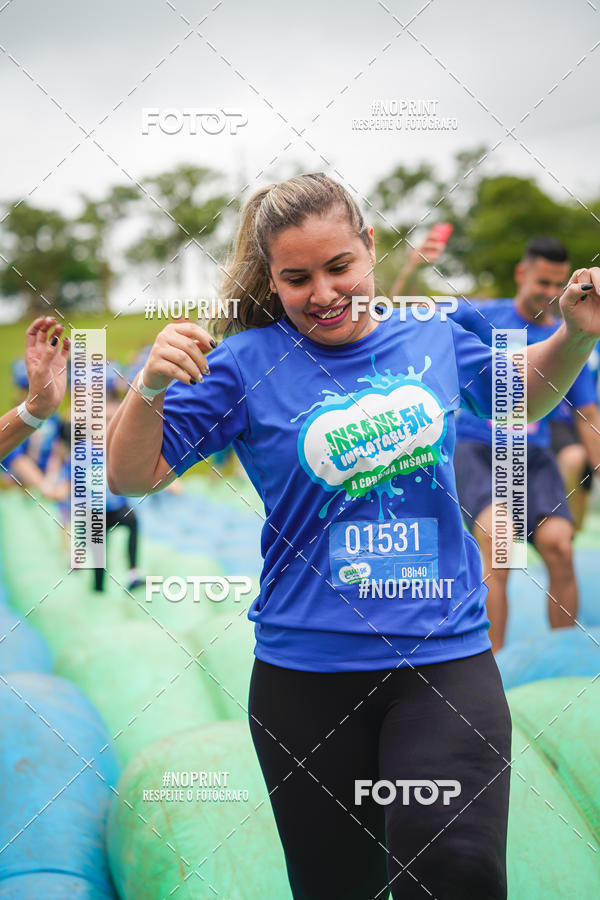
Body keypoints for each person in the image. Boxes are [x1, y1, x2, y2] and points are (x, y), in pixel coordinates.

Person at [106, 173, 600, 899]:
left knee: (455, 869)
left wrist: (577, 332)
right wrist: (149, 387)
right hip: (304, 680)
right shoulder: (245, 364)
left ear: (369, 248)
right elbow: (131, 474)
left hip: (443, 662)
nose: (324, 292)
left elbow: (520, 389)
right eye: (297, 277)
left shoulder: (430, 334)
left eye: (339, 266)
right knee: (337, 888)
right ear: (271, 280)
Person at [450, 237, 600, 653]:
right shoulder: (481, 315)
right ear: (522, 274)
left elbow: (587, 414)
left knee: (560, 545)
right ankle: (490, 667)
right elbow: (416, 323)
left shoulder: (571, 334)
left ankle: (561, 664)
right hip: (479, 450)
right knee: (500, 545)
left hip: (533, 458)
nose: (551, 294)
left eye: (558, 284)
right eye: (543, 282)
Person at [1, 317, 70, 493]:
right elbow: (17, 460)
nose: (26, 393)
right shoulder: (12, 421)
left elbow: (58, 449)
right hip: (21, 489)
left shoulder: (53, 418)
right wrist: (44, 487)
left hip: (49, 483)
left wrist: (53, 479)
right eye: (25, 387)